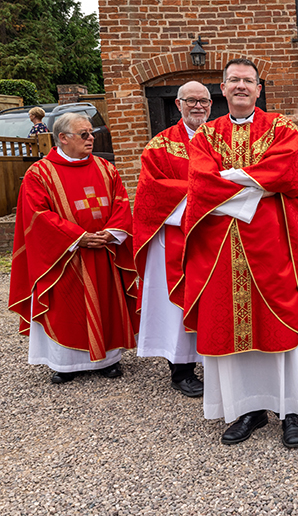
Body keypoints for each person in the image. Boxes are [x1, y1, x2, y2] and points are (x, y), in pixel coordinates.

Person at [180, 58, 298, 447]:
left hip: (275, 244)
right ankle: (247, 408)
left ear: (259, 90)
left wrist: (229, 181)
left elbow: (288, 170)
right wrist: (258, 185)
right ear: (221, 90)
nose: (241, 86)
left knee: (281, 324)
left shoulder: (281, 127)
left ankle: (291, 409)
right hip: (222, 249)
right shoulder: (205, 135)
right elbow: (200, 183)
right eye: (233, 81)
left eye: (248, 81)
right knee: (230, 327)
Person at [9, 112, 138, 384]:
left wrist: (110, 232)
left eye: (90, 133)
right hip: (64, 258)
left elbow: (121, 202)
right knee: (66, 306)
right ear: (63, 138)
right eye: (84, 134)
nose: (91, 138)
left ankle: (108, 359)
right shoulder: (40, 174)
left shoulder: (106, 168)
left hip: (104, 250)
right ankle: (65, 363)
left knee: (105, 301)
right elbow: (37, 215)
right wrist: (77, 237)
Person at [132, 81, 209, 397]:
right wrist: (203, 198)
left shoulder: (218, 141)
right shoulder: (159, 145)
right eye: (190, 100)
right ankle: (181, 369)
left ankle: (216, 362)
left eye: (203, 100)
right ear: (178, 105)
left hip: (211, 237)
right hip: (174, 237)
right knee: (177, 305)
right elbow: (152, 189)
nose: (198, 106)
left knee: (211, 299)